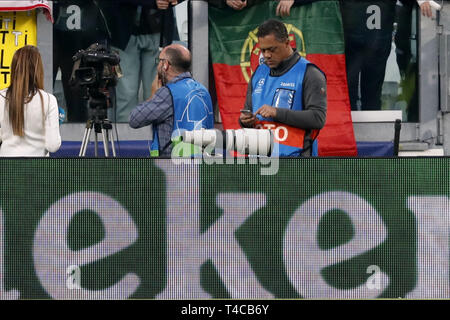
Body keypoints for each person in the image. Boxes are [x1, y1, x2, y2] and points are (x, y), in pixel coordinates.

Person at [239, 19, 327, 157]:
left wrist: (276, 112)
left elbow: (318, 118)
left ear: (287, 43)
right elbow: (248, 112)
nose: (267, 55)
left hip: (296, 164)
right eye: (263, 50)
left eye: (272, 49)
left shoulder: (310, 73)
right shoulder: (259, 72)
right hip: (260, 163)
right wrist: (244, 120)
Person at [100, 0, 182, 123]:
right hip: (124, 33)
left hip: (158, 31)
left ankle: (156, 138)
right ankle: (125, 140)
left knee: (156, 92)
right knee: (126, 95)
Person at [129, 44, 214, 157]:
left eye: (159, 61)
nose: (158, 65)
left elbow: (134, 119)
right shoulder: (203, 90)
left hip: (175, 167)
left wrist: (153, 95)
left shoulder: (168, 93)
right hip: (202, 164)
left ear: (165, 65)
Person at [0, 46, 61, 157]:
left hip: (6, 167)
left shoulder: (1, 97)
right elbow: (53, 146)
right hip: (37, 169)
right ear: (38, 70)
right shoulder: (49, 100)